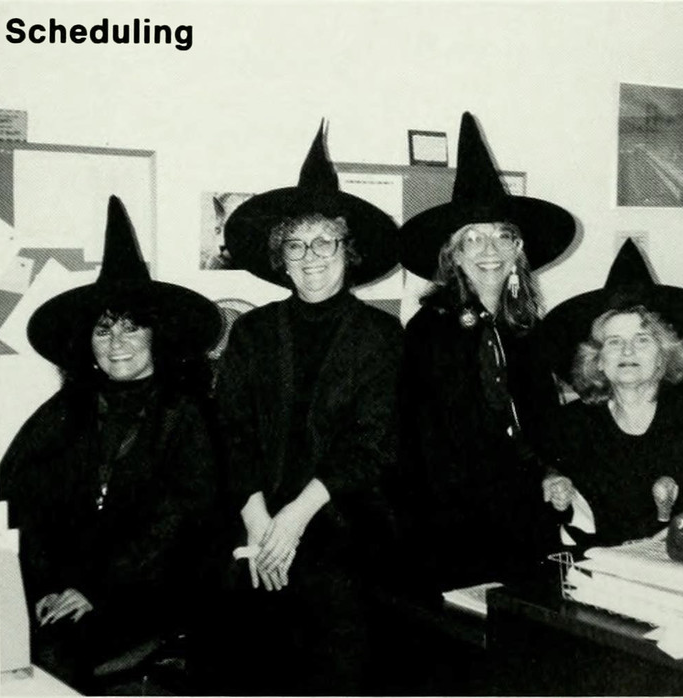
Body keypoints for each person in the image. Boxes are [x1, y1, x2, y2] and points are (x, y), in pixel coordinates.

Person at [0, 196, 222, 693]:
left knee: (63, 660)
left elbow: (178, 521)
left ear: (157, 336)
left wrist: (95, 588)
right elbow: (21, 498)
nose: (116, 342)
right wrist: (41, 584)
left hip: (154, 592)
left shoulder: (186, 414)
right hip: (67, 591)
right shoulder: (67, 409)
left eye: (131, 327)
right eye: (103, 329)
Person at [210, 121, 402, 695]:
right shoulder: (252, 333)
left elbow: (372, 443)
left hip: (345, 535)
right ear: (282, 259)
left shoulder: (381, 336)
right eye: (296, 245)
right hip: (255, 525)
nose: (311, 256)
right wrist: (260, 524)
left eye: (325, 242)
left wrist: (293, 520)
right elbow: (231, 430)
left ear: (348, 251)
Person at [396, 112, 577, 594]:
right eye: (472, 238)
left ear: (518, 250)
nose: (489, 249)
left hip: (525, 514)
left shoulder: (526, 328)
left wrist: (552, 471)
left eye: (501, 235)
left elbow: (541, 421)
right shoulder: (430, 330)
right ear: (454, 255)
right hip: (456, 526)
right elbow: (429, 442)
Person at [540, 239, 683, 548]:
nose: (627, 350)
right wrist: (553, 482)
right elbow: (552, 498)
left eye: (642, 339)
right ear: (598, 359)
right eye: (614, 341)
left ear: (664, 354)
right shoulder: (574, 423)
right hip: (605, 567)